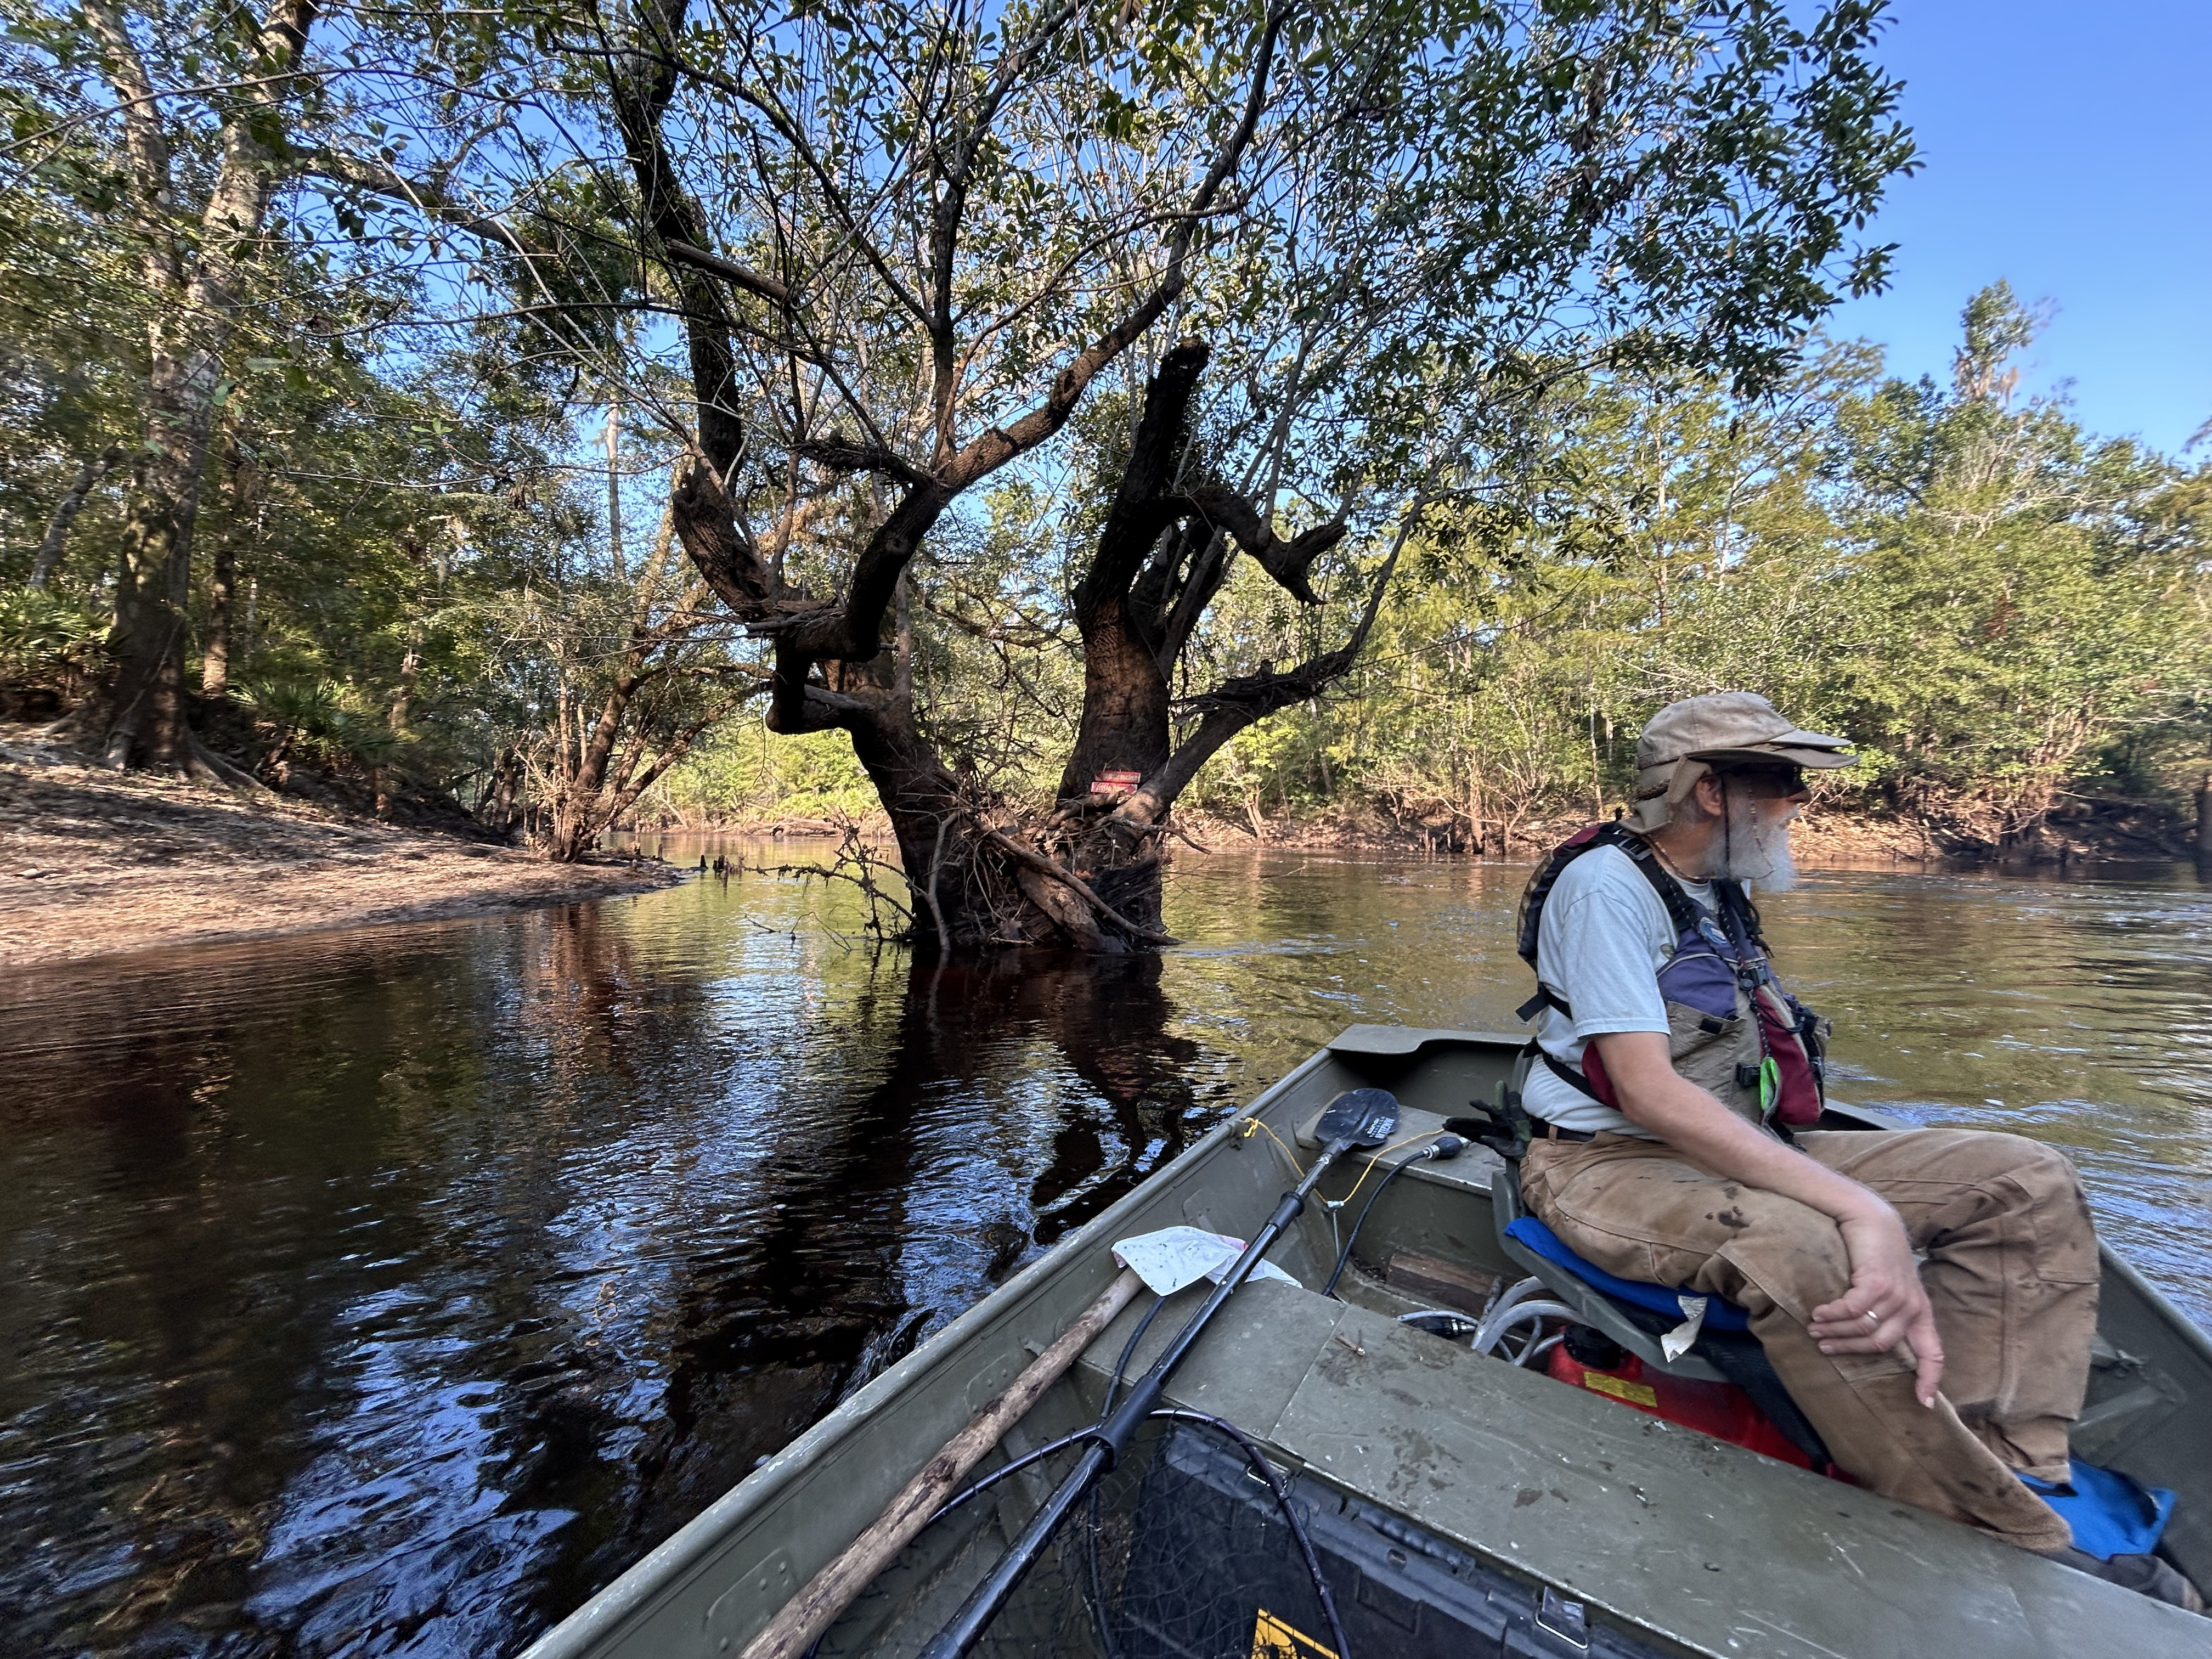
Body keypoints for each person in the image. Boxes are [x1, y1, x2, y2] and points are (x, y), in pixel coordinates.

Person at [1514, 691, 2196, 1602]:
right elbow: (1646, 1091)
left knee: (2024, 1179)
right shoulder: (1605, 888)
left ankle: (1998, 1461)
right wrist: (1862, 1206)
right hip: (1603, 1163)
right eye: (1785, 781)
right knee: (1803, 1246)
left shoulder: (1714, 886)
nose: (1801, 800)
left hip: (1725, 1146)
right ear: (1711, 791)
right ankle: (1987, 1534)